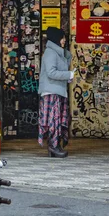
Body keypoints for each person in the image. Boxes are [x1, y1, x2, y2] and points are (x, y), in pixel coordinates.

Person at [38, 27, 74, 159]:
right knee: (54, 120)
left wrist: (67, 77)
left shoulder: (57, 53)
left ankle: (55, 145)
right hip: (51, 91)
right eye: (62, 37)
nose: (64, 40)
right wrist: (68, 74)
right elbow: (51, 72)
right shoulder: (51, 53)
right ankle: (53, 146)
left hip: (57, 90)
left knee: (57, 119)